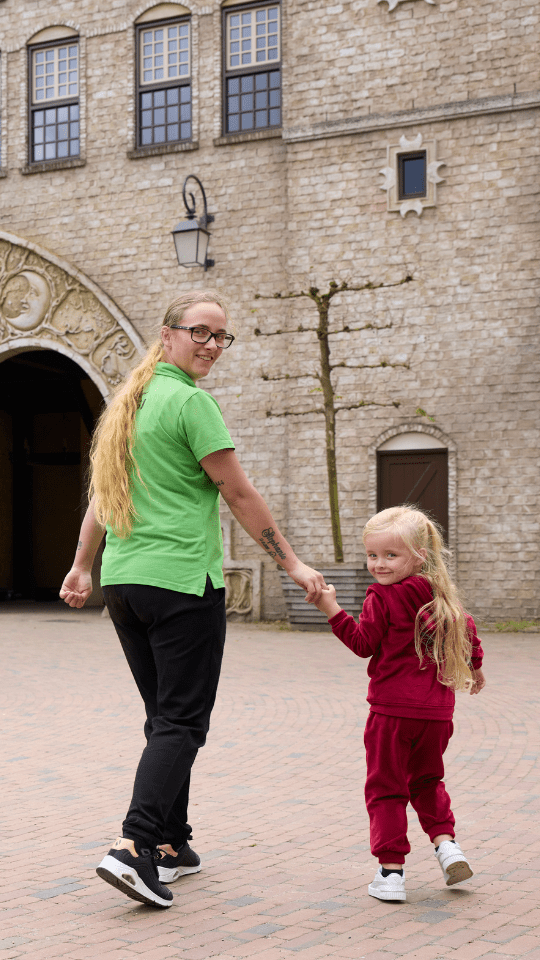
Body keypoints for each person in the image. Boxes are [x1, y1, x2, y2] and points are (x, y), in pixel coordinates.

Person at [60, 290, 326, 909]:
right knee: (182, 721)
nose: (211, 345)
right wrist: (291, 562)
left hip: (126, 583)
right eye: (199, 333)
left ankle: (172, 844)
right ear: (169, 333)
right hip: (180, 582)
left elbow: (103, 498)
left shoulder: (129, 403)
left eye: (221, 337)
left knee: (163, 719)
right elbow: (237, 492)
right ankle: (135, 846)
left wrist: (81, 566)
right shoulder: (191, 403)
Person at [312, 505, 485, 902]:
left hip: (391, 713)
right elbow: (467, 629)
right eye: (372, 555)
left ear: (418, 555)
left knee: (386, 789)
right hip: (437, 715)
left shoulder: (382, 596)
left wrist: (331, 609)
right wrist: (476, 667)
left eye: (391, 555)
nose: (379, 564)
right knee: (427, 780)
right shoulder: (439, 592)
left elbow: (362, 644)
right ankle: (447, 846)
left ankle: (391, 873)